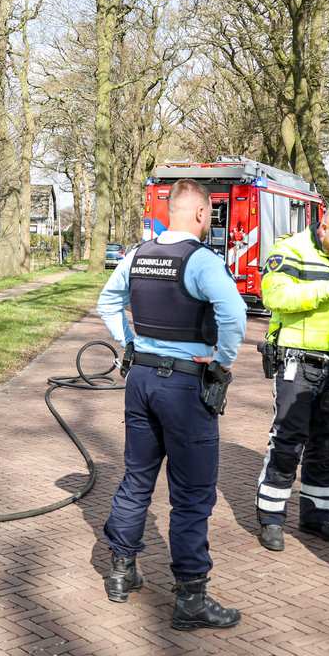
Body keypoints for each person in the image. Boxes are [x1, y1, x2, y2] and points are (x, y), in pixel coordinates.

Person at [97, 180, 248, 631]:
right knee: (192, 493)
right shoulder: (201, 260)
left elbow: (108, 301)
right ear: (202, 214)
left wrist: (129, 344)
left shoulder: (138, 255)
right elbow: (234, 315)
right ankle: (191, 597)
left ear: (169, 212)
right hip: (184, 387)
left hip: (140, 379)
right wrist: (220, 361)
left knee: (137, 476)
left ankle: (121, 572)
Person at [254, 202, 329, 552]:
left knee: (327, 443)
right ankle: (271, 518)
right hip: (298, 361)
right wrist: (326, 289)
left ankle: (318, 517)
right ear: (323, 227)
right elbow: (273, 295)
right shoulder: (290, 250)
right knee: (289, 440)